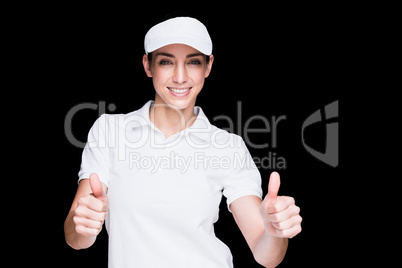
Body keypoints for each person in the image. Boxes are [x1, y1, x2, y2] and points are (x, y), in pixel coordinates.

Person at [64, 16, 302, 268]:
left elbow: (267, 256)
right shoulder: (109, 131)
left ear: (208, 67)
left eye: (193, 62)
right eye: (166, 61)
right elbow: (74, 238)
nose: (180, 77)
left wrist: (275, 231)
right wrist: (86, 228)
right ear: (148, 65)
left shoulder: (227, 146)